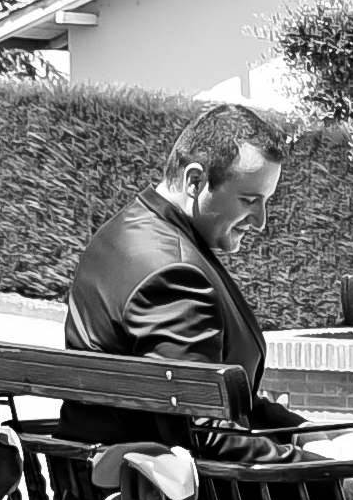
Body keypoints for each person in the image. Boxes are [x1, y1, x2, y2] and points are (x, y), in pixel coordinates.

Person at [59, 101, 307, 451]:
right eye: (249, 200)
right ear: (195, 180)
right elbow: (202, 431)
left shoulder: (131, 230)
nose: (261, 221)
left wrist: (303, 433)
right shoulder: (171, 273)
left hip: (117, 485)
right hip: (166, 498)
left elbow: (219, 399)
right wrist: (331, 477)